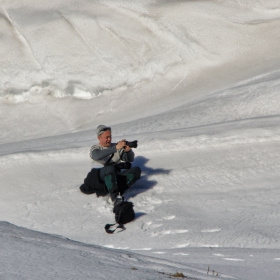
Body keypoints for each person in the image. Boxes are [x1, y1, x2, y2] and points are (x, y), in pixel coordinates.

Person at [90, 125, 141, 205]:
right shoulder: (95, 148)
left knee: (136, 170)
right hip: (100, 180)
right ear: (99, 138)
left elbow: (130, 159)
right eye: (106, 137)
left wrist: (128, 151)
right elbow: (96, 155)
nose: (109, 139)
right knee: (110, 168)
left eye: (110, 136)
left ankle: (118, 188)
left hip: (114, 178)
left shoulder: (116, 147)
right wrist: (116, 148)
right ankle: (115, 197)